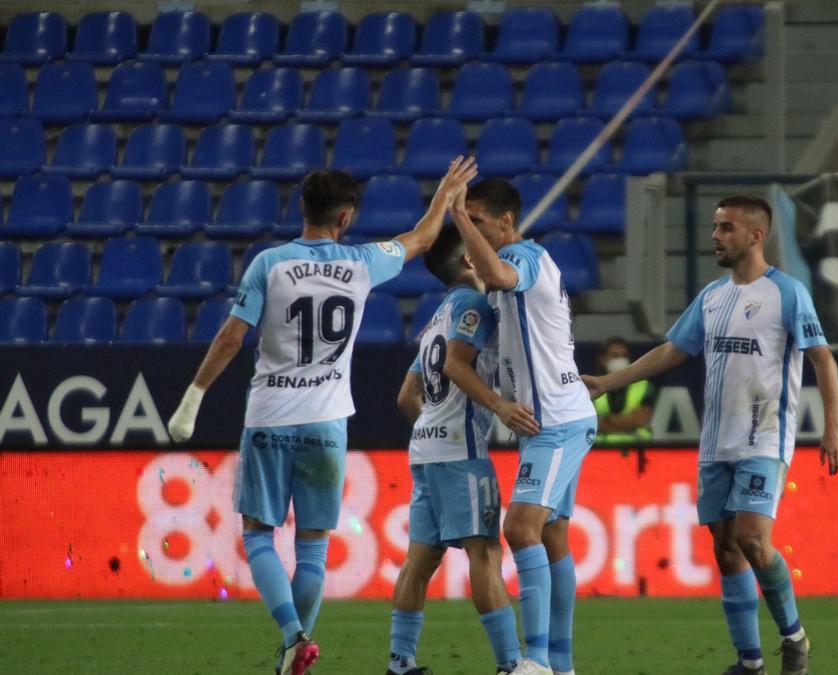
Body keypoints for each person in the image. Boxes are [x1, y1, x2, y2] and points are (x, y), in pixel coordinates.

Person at [165, 158, 477, 675]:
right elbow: (423, 239)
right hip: (328, 422)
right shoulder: (360, 263)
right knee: (312, 551)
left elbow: (230, 337)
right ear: (346, 218)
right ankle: (294, 660)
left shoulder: (270, 264)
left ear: (302, 210)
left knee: (259, 535)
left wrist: (193, 396)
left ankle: (294, 636)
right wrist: (444, 193)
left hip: (270, 417)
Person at [583, 195, 838, 675]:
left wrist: (833, 427)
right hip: (715, 443)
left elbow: (822, 358)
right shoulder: (712, 296)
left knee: (752, 539)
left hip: (764, 439)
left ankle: (794, 637)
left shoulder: (787, 293)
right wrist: (606, 382)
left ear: (755, 235)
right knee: (725, 548)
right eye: (715, 227)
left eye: (726, 228)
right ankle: (749, 661)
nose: (715, 236)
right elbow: (671, 352)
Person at [450, 178, 597, 675]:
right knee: (553, 535)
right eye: (469, 219)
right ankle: (562, 664)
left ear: (507, 222)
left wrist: (455, 216)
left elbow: (495, 274)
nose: (473, 229)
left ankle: (534, 659)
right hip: (551, 420)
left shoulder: (528, 259)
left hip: (557, 420)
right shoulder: (508, 273)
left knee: (519, 526)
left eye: (480, 220)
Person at [387, 225, 537, 675]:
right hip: (461, 451)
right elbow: (456, 365)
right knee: (485, 553)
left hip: (425, 450)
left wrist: (431, 434)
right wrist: (498, 407)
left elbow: (404, 397)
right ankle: (510, 664)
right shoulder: (474, 305)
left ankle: (400, 661)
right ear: (470, 260)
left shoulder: (438, 315)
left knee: (420, 559)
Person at [592, 337, 656, 446]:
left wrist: (607, 419)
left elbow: (641, 420)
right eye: (615, 356)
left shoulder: (644, 387)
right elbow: (592, 425)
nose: (621, 360)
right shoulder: (591, 388)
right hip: (601, 454)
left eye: (624, 356)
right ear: (603, 360)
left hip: (637, 452)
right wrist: (629, 420)